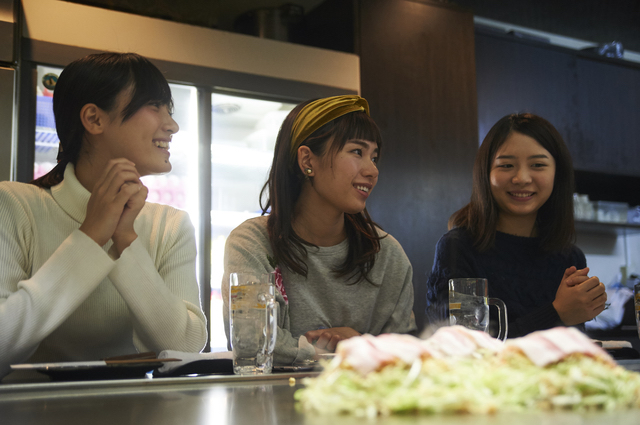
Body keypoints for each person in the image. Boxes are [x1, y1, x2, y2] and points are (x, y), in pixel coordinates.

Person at [0, 52, 207, 379]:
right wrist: (92, 235)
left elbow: (185, 347)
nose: (172, 125)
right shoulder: (14, 205)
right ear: (94, 119)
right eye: (154, 105)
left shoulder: (170, 224)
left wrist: (124, 240)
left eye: (169, 109)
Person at [222, 95, 416, 364]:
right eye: (357, 152)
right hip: (270, 404)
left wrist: (360, 344)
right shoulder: (252, 242)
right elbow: (251, 342)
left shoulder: (387, 255)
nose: (372, 170)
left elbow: (407, 358)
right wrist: (355, 351)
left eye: (374, 157)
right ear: (307, 160)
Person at [425, 113, 607, 338]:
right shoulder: (458, 248)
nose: (522, 178)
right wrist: (557, 312)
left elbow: (569, 348)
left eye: (538, 165)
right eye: (507, 165)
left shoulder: (569, 258)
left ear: (557, 174)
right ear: (485, 173)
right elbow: (468, 350)